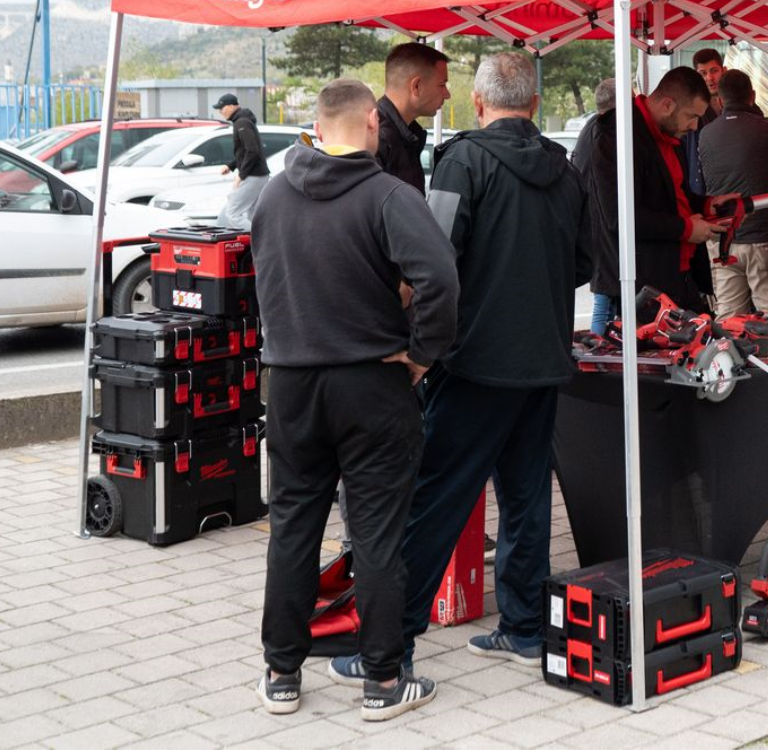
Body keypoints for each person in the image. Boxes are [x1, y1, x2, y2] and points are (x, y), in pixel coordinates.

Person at [333, 50, 591, 674]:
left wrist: (422, 346)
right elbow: (586, 262)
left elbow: (433, 260)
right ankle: (525, 628)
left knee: (435, 503)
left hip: (474, 362)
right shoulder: (564, 168)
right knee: (527, 498)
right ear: (534, 104)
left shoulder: (463, 161)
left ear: (478, 102)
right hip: (543, 360)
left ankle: (387, 651)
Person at [251, 78, 458, 723]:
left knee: (293, 527)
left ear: (318, 126)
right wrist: (422, 354)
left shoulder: (272, 194)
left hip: (292, 382)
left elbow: (266, 278)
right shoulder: (389, 195)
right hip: (371, 383)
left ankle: (282, 674)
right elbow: (441, 279)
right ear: (373, 121)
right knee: (377, 535)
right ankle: (383, 681)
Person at [586, 66, 732, 312]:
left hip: (682, 274)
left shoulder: (670, 132)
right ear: (667, 105)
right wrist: (686, 229)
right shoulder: (618, 137)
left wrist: (708, 204)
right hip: (643, 284)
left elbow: (676, 195)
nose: (695, 126)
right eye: (691, 116)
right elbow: (620, 217)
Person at [699, 68, 768, 317]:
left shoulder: (704, 134)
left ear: (720, 101)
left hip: (722, 241)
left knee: (729, 319)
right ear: (753, 96)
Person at [569, 77, 617, 335]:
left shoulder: (588, 129)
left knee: (604, 297)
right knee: (604, 299)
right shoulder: (606, 133)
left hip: (591, 223)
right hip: (602, 227)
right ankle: (600, 345)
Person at [375, 42, 451, 192]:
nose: (447, 95)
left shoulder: (406, 136)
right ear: (416, 86)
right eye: (442, 85)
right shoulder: (375, 137)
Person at [679, 48, 726, 194]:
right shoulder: (691, 113)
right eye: (703, 73)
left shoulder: (738, 101)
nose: (709, 78)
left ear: (724, 70)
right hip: (703, 189)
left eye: (714, 71)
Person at [215, 93, 271, 187]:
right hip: (254, 175)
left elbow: (252, 151)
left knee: (235, 197)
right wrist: (231, 166)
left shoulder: (242, 122)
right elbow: (244, 153)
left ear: (231, 106)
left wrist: (241, 176)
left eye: (222, 108)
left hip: (254, 176)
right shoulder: (240, 121)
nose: (220, 112)